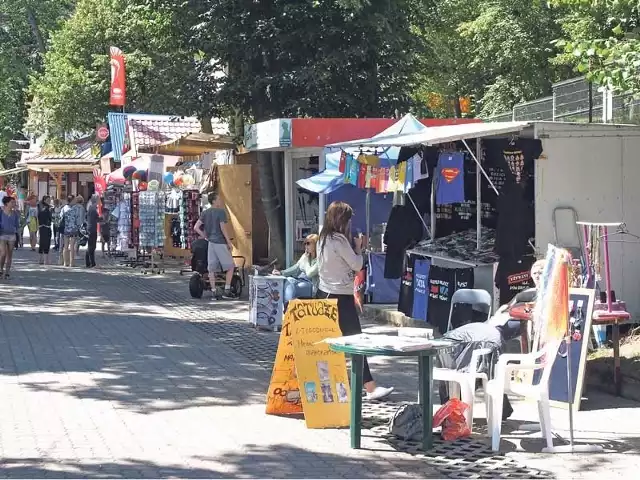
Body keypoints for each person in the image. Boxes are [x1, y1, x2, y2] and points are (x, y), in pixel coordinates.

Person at [436, 260, 545, 420]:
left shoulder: (546, 294)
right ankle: (459, 396)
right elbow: (508, 306)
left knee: (482, 351)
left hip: (501, 331)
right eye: (534, 273)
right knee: (466, 347)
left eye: (540, 273)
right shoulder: (528, 291)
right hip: (496, 324)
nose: (537, 276)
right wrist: (503, 310)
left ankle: (463, 396)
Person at [316, 201, 394, 401]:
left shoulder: (322, 238)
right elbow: (357, 264)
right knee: (355, 340)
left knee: (326, 341)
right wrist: (359, 248)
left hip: (323, 292)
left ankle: (323, 382)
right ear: (343, 220)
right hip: (340, 296)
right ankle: (369, 387)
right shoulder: (340, 240)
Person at [194, 192, 236, 299]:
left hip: (211, 243)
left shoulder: (205, 213)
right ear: (214, 201)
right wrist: (229, 242)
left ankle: (213, 292)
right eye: (218, 199)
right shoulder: (221, 212)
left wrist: (205, 236)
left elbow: (196, 227)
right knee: (230, 267)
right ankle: (227, 290)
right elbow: (223, 228)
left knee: (211, 269)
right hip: (220, 242)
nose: (220, 201)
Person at [274, 233, 319, 301]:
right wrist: (281, 272)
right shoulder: (305, 256)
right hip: (300, 280)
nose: (306, 246)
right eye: (305, 243)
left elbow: (310, 274)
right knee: (288, 280)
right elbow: (296, 267)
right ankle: (286, 305)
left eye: (308, 243)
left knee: (291, 286)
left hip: (312, 285)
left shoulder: (319, 259)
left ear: (315, 244)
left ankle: (287, 306)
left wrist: (306, 260)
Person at [0, 196, 20, 279]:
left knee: (9, 255)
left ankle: (7, 272)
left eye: (14, 202)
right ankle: (1, 269)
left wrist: (19, 238)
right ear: (7, 203)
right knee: (3, 253)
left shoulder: (15, 213)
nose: (14, 204)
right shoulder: (1, 212)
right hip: (2, 234)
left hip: (12, 235)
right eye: (12, 202)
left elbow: (17, 225)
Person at [61, 195, 83, 267]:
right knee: (72, 246)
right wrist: (80, 226)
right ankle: (71, 262)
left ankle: (65, 262)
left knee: (66, 246)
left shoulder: (64, 208)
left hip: (66, 228)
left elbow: (60, 217)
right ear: (72, 200)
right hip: (74, 228)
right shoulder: (76, 208)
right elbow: (78, 219)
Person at [37, 195, 53, 265]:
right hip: (43, 226)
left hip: (47, 226)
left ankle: (45, 259)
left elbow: (51, 218)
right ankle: (42, 259)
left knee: (46, 242)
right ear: (44, 200)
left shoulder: (49, 207)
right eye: (47, 199)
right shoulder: (41, 206)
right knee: (44, 242)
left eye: (49, 200)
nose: (49, 201)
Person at [85, 194, 99, 268]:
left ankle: (88, 262)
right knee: (92, 246)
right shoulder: (93, 209)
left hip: (90, 228)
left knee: (90, 246)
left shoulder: (90, 208)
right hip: (92, 229)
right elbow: (97, 219)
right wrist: (104, 218)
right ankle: (92, 263)